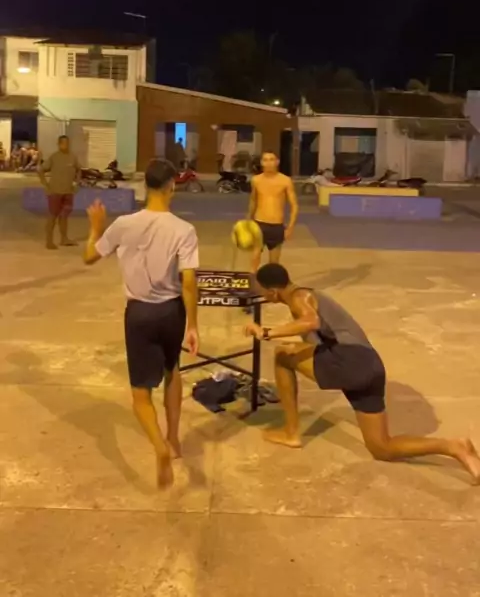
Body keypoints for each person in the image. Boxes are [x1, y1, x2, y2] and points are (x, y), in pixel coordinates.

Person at [246, 263, 480, 483]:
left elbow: (311, 321)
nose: (261, 295)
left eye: (262, 291)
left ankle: (291, 432)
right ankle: (454, 447)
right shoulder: (310, 296)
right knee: (382, 448)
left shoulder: (299, 297)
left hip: (351, 361)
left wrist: (266, 332)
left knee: (282, 355)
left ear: (273, 292)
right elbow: (317, 339)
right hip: (371, 366)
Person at [83, 158, 200, 489]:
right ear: (172, 186)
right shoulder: (184, 229)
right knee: (173, 371)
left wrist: (95, 228)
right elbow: (189, 282)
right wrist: (193, 325)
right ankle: (173, 438)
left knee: (140, 394)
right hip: (172, 311)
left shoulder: (124, 224)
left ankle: (158, 445)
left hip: (139, 314)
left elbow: (89, 256)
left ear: (145, 186)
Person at [248, 151, 298, 271]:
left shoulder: (285, 181)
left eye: (271, 159)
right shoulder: (256, 180)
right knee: (255, 256)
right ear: (261, 163)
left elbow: (294, 205)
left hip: (276, 226)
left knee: (274, 264)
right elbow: (253, 200)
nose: (269, 163)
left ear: (277, 162)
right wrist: (249, 220)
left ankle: (270, 282)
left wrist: (290, 227)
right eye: (265, 160)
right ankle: (253, 278)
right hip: (259, 223)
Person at [38, 135, 81, 249]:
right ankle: (49, 241)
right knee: (52, 216)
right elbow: (40, 170)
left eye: (67, 143)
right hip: (55, 192)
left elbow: (79, 170)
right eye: (63, 143)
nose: (65, 145)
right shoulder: (54, 157)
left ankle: (64, 239)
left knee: (64, 216)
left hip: (68, 192)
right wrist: (45, 184)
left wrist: (76, 183)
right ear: (59, 144)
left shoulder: (72, 157)